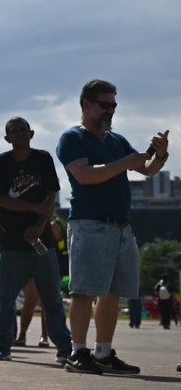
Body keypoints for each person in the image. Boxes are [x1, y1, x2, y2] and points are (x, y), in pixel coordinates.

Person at [57, 79, 168, 375]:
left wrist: (161, 154)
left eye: (113, 106)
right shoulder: (73, 138)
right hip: (90, 224)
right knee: (83, 291)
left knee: (113, 293)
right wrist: (125, 163)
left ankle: (103, 353)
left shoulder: (116, 140)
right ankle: (77, 352)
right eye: (105, 105)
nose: (110, 111)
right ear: (86, 105)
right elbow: (83, 175)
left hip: (121, 226)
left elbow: (146, 169)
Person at [0, 117, 72, 363]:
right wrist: (35, 208)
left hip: (42, 242)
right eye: (14, 131)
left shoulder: (43, 159)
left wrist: (39, 225)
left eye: (23, 130)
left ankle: (64, 347)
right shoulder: (0, 163)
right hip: (12, 242)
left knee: (52, 298)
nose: (20, 134)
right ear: (7, 138)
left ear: (31, 133)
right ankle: (2, 345)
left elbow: (50, 196)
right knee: (6, 299)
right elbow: (0, 200)